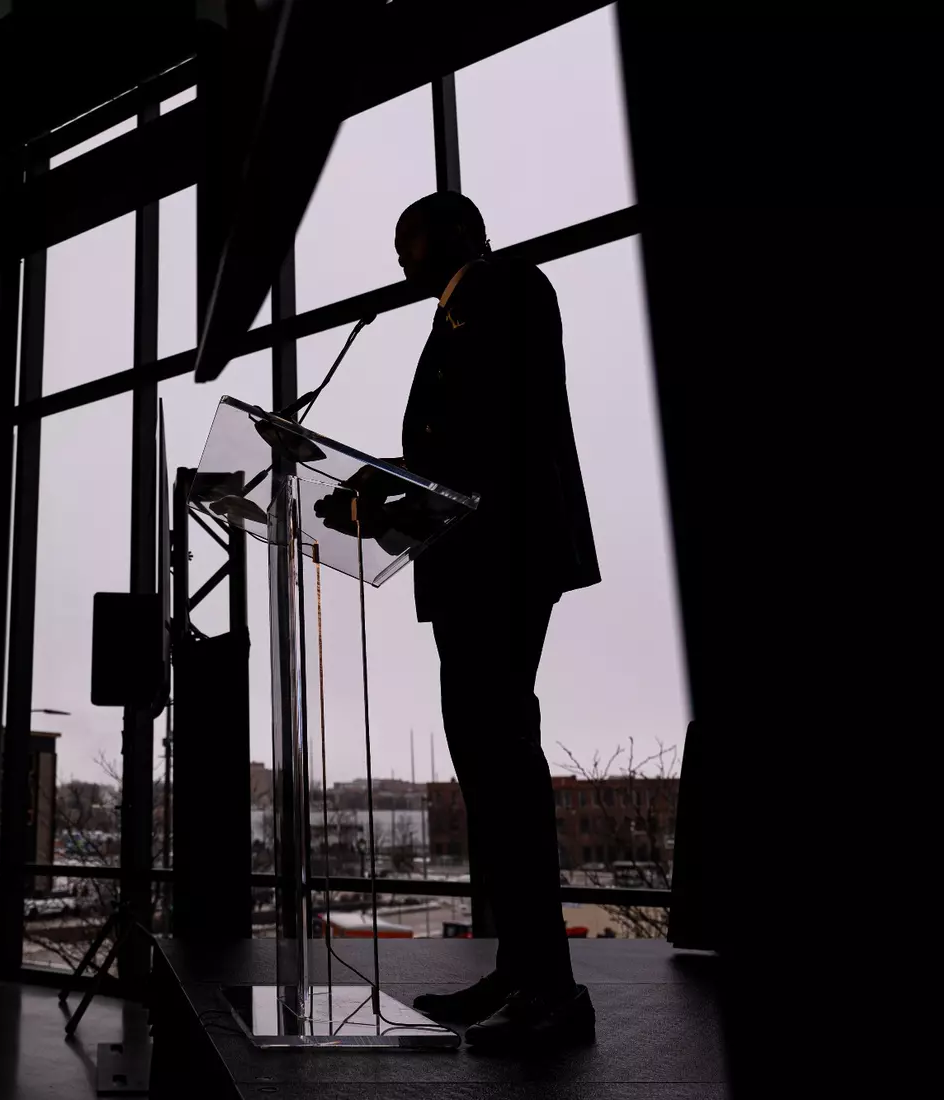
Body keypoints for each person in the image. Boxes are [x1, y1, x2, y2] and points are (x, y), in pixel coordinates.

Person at [320, 192, 599, 1051]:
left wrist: (384, 487)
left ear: (449, 234)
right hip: (475, 561)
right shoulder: (458, 314)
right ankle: (521, 974)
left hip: (503, 558)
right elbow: (459, 452)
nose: (400, 262)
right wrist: (378, 497)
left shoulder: (508, 287)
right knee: (487, 770)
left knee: (503, 765)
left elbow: (491, 435)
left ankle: (551, 991)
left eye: (406, 242)